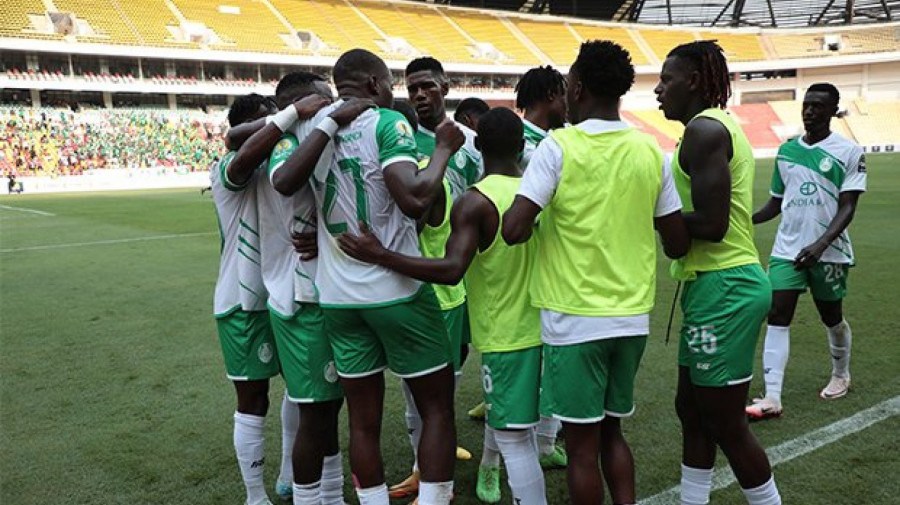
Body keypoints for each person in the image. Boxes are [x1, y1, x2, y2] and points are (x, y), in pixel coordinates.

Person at [272, 48, 464, 505]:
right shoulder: (386, 122)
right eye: (392, 84)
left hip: (339, 297)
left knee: (362, 421)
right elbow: (414, 199)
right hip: (396, 291)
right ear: (376, 85)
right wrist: (441, 149)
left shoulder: (311, 129)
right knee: (436, 408)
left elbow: (289, 185)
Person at [502, 40, 689, 505]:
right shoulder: (651, 151)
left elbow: (513, 229)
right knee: (612, 434)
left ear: (578, 87)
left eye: (566, 84)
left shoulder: (558, 146)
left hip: (574, 318)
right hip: (630, 318)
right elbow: (677, 240)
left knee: (581, 448)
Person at [338, 107, 548, 505]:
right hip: (547, 325)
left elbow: (452, 269)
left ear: (478, 145)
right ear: (522, 146)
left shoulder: (475, 201)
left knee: (515, 441)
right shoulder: (536, 194)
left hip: (508, 335)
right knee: (529, 434)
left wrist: (381, 255)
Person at [229, 72, 369, 505]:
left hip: (321, 292)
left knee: (327, 409)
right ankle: (306, 496)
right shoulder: (282, 151)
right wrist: (294, 116)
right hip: (298, 297)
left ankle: (329, 495)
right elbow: (237, 141)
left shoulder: (307, 142)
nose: (332, 106)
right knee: (316, 412)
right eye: (324, 99)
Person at [654, 40, 782, 505]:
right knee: (690, 408)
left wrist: (651, 214)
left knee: (725, 422)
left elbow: (712, 223)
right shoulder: (708, 128)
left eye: (666, 80)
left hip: (725, 286)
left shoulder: (705, 131)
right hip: (711, 284)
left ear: (692, 80)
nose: (658, 91)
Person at [746, 83, 866, 420]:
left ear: (832, 111)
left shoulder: (849, 152)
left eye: (818, 106)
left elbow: (848, 207)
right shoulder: (786, 151)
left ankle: (841, 374)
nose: (810, 111)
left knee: (831, 316)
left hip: (829, 252)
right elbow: (776, 203)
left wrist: (820, 244)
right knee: (777, 314)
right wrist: (746, 219)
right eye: (807, 105)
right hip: (787, 250)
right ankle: (772, 397)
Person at [210, 93, 279, 505]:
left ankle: (290, 475)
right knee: (254, 398)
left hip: (285, 296)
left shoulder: (281, 167)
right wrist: (287, 117)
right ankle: (256, 496)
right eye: (262, 121)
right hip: (241, 301)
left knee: (303, 392)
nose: (273, 127)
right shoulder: (228, 170)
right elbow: (239, 147)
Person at [406, 57, 483, 200]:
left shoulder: (471, 141)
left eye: (427, 86)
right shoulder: (404, 139)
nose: (420, 95)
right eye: (412, 89)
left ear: (445, 88)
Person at [515, 65, 568, 169]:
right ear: (551, 95)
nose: (567, 104)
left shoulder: (546, 137)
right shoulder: (522, 145)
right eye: (563, 96)